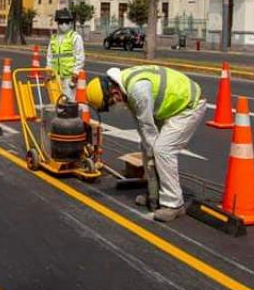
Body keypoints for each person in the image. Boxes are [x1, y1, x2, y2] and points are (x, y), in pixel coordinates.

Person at [85, 66, 206, 222]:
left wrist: (150, 156)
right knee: (147, 147)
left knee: (162, 150)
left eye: (111, 102)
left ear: (114, 93)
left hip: (189, 106)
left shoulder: (137, 91)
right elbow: (142, 127)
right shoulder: (126, 89)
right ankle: (154, 192)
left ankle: (174, 204)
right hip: (171, 108)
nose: (115, 105)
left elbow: (148, 128)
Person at [46, 8, 85, 102]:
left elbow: (80, 57)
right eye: (61, 22)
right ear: (58, 23)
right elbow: (50, 57)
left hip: (69, 77)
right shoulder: (53, 38)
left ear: (70, 23)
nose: (64, 24)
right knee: (56, 102)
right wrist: (48, 71)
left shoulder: (75, 37)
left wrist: (75, 74)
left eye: (67, 22)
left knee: (69, 103)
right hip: (55, 77)